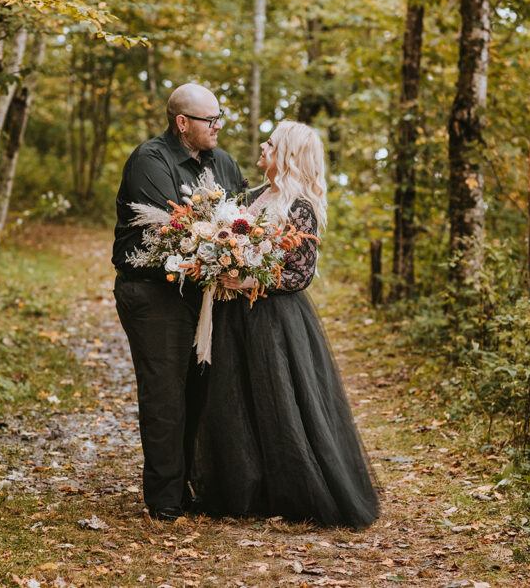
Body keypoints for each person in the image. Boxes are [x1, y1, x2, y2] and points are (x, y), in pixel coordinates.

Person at [190, 120, 379, 529]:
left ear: (288, 157)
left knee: (279, 400)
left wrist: (246, 279)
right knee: (235, 397)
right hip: (233, 316)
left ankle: (293, 489)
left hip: (275, 322)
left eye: (271, 143)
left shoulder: (299, 207)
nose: (262, 145)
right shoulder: (253, 195)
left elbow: (300, 275)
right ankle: (243, 488)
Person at [112, 83, 245, 521]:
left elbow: (242, 218)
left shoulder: (222, 161)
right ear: (182, 123)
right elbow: (171, 233)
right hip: (154, 294)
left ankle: (197, 484)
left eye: (220, 116)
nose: (219, 125)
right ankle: (166, 500)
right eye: (211, 120)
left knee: (204, 391)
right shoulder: (150, 160)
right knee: (165, 394)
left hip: (206, 295)